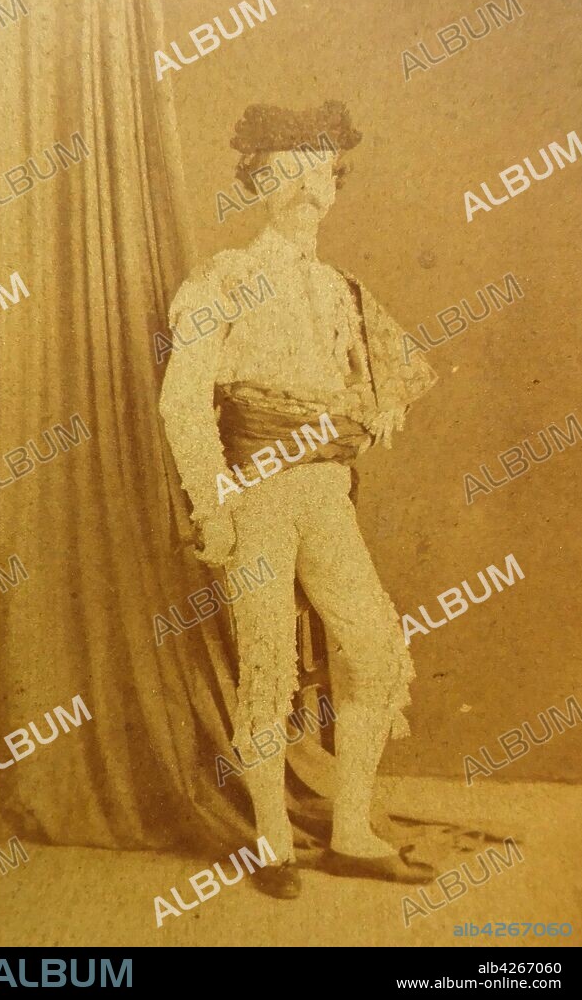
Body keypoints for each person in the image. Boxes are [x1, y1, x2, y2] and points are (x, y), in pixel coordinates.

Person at [160, 100, 437, 898]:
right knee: (267, 663)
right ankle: (272, 841)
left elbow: (383, 383)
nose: (304, 189)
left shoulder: (343, 291)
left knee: (376, 648)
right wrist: (212, 504)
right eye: (284, 172)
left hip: (323, 491)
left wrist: (371, 414)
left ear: (335, 187)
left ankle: (350, 828)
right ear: (255, 180)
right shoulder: (223, 278)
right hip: (255, 493)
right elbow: (183, 403)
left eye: (318, 173)